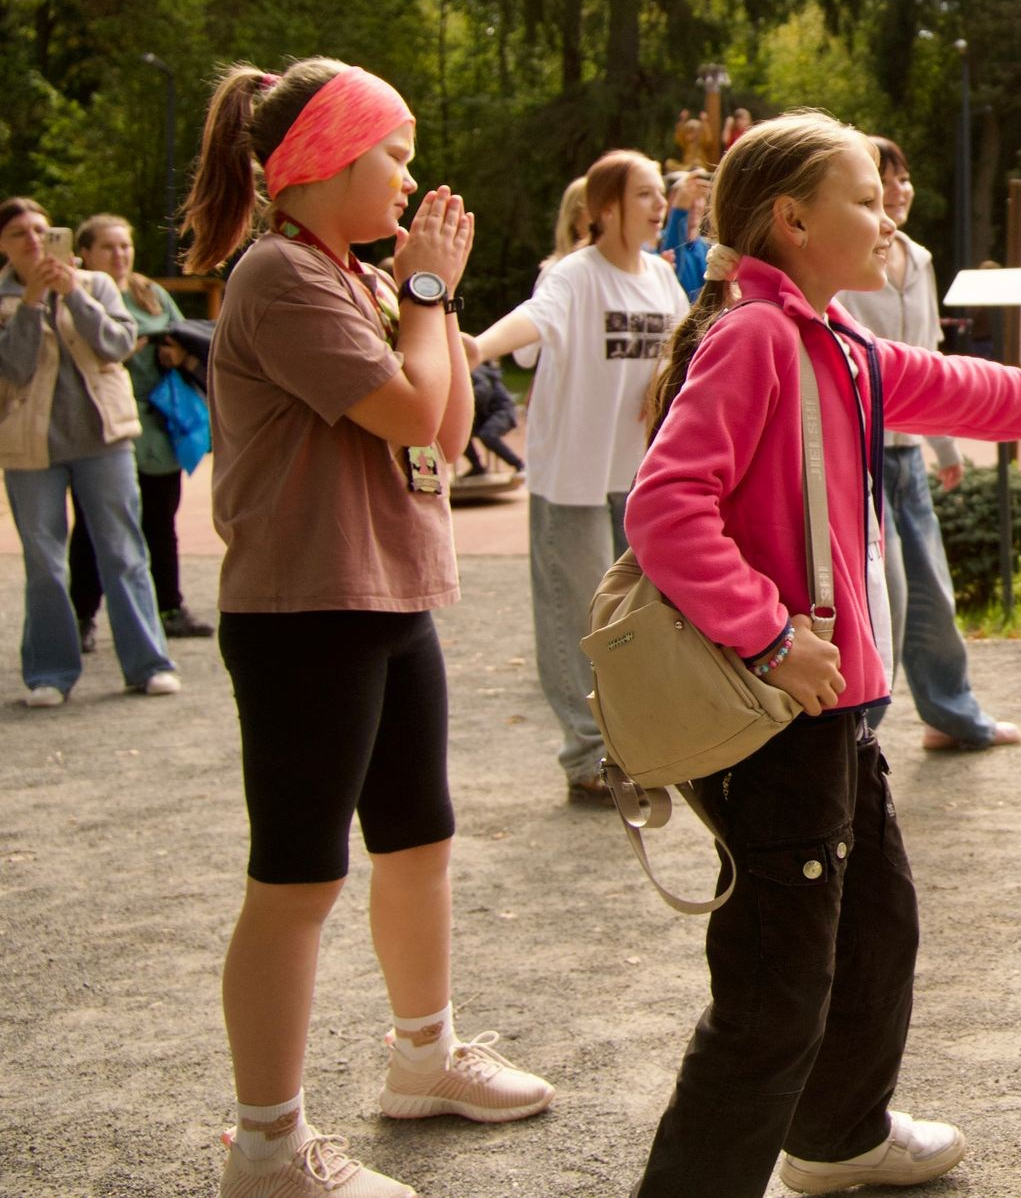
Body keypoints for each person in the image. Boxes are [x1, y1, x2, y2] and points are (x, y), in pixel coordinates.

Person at [625, 111, 1021, 1197]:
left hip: (833, 713)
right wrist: (766, 634)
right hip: (778, 717)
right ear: (793, 219)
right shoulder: (759, 336)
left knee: (876, 929)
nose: (887, 213)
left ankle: (838, 1133)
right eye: (863, 197)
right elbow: (666, 508)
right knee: (774, 995)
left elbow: (950, 384)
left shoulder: (832, 337)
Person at [183, 59, 551, 1198]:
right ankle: (267, 1145)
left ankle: (423, 1056)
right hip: (308, 611)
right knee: (296, 879)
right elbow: (406, 405)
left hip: (388, 595)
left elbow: (438, 432)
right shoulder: (280, 277)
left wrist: (420, 303)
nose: (408, 175)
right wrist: (432, 298)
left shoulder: (353, 276)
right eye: (390, 152)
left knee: (418, 840)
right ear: (325, 163)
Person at [464, 149, 687, 801]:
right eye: (646, 194)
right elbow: (535, 320)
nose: (659, 207)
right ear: (607, 207)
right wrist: (477, 347)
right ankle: (587, 756)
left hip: (637, 476)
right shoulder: (574, 275)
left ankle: (633, 746)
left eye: (660, 193)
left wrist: (663, 376)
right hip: (573, 477)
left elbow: (682, 338)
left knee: (637, 617)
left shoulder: (659, 278)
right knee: (579, 617)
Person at [849, 135, 1021, 752]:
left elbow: (927, 362)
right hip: (856, 455)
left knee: (929, 589)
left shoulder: (917, 258)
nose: (899, 191)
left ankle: (951, 716)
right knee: (882, 597)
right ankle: (856, 736)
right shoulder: (843, 258)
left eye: (904, 179)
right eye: (883, 179)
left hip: (904, 454)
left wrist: (944, 448)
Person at [0, 198, 181, 705]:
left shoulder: (95, 284)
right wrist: (32, 302)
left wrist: (73, 294)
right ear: (3, 246)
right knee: (44, 561)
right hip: (29, 444)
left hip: (103, 438)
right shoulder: (3, 297)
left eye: (41, 230)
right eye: (19, 234)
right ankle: (49, 674)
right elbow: (11, 369)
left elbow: (118, 344)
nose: (33, 241)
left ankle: (148, 664)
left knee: (123, 551)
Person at [67, 212, 215, 642]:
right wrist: (123, 351)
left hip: (157, 430)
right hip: (103, 429)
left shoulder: (149, 293)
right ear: (86, 253)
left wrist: (178, 356)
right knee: (96, 526)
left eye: (125, 246)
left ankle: (169, 608)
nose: (119, 255)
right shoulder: (76, 295)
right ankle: (82, 617)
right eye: (108, 247)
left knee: (160, 521)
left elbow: (183, 337)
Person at [463, 357, 524, 476]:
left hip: (502, 411)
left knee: (487, 434)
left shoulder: (474, 370)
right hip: (486, 414)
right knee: (460, 434)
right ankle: (477, 468)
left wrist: (464, 399)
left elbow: (484, 390)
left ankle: (519, 465)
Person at [658, 167, 712, 301]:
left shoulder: (707, 250)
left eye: (698, 197)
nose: (693, 204)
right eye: (686, 197)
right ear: (670, 202)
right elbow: (673, 277)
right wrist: (679, 212)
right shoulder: (655, 243)